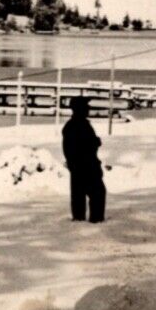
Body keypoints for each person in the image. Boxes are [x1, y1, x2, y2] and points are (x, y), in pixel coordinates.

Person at [62, 95, 106, 223]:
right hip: (86, 166)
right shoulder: (78, 125)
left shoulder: (72, 125)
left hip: (78, 166)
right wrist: (96, 142)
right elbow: (85, 145)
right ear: (79, 109)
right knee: (97, 193)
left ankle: (80, 220)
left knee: (79, 195)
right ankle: (95, 222)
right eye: (86, 106)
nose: (88, 109)